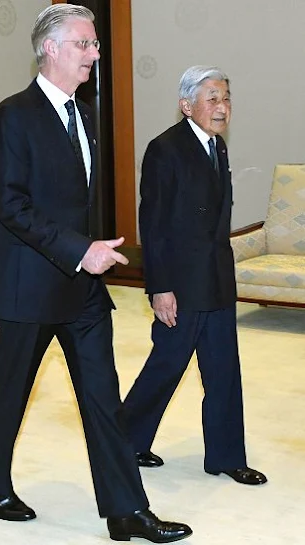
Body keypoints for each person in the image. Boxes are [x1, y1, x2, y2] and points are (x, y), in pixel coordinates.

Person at [0, 5, 192, 543]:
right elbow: (13, 206)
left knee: (102, 394)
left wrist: (88, 257)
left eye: (96, 45)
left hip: (84, 288)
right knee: (11, 391)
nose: (95, 54)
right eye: (84, 44)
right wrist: (80, 251)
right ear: (51, 48)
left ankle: (125, 511)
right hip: (29, 284)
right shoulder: (13, 115)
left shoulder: (85, 112)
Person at [122, 65, 267, 486]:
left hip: (217, 279)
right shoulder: (164, 149)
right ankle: (125, 441)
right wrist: (160, 287)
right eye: (213, 99)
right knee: (166, 365)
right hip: (181, 284)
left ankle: (225, 456)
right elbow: (153, 224)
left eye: (225, 98)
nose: (222, 107)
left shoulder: (217, 147)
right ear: (187, 105)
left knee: (224, 371)